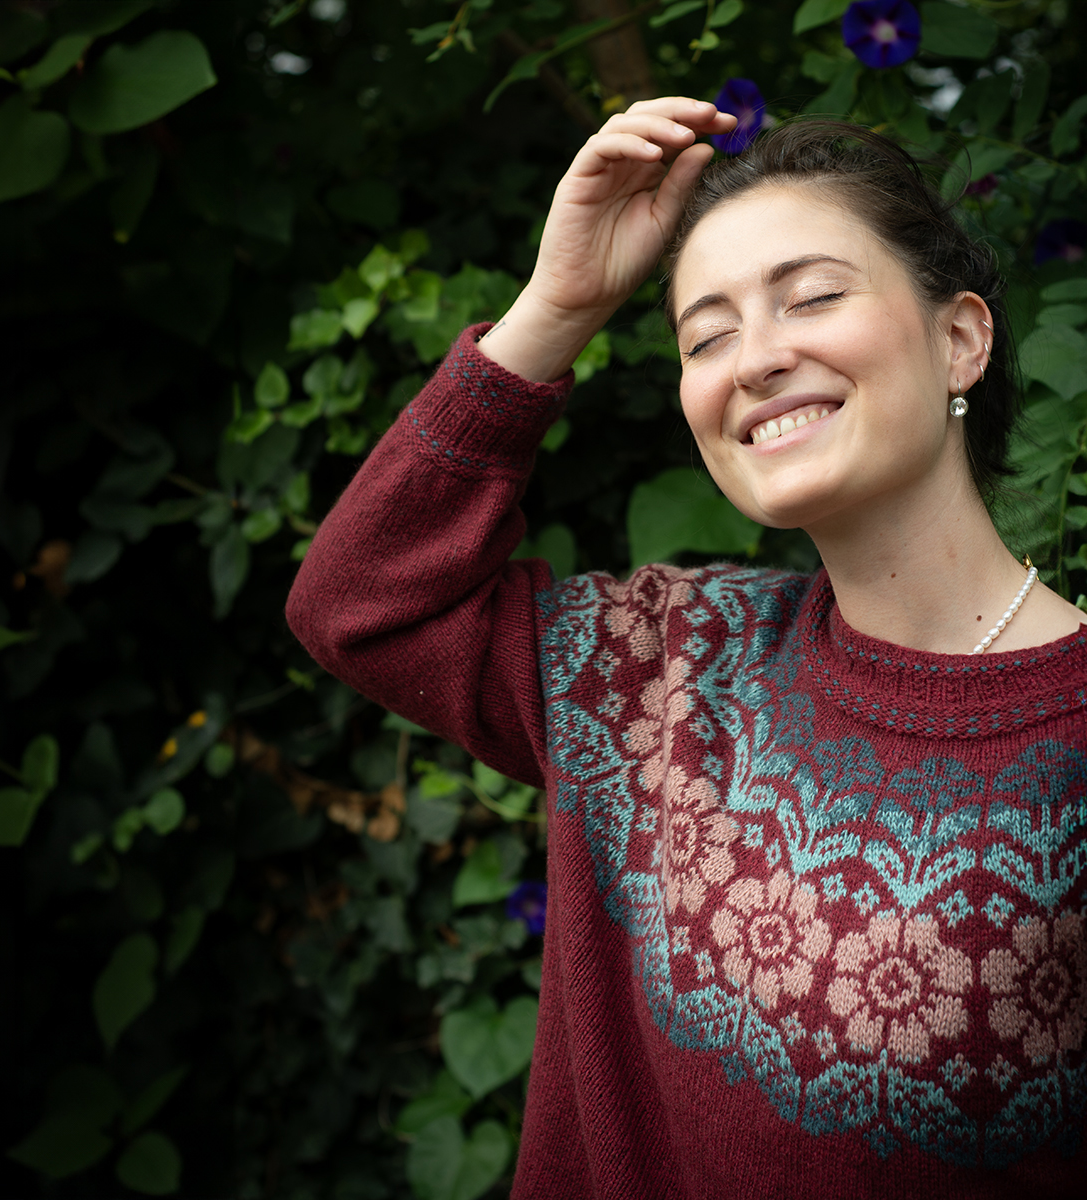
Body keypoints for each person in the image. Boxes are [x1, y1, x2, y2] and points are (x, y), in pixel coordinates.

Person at [286, 98, 1087, 1197]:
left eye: (813, 297)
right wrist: (557, 307)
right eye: (706, 337)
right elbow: (359, 603)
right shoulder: (658, 668)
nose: (754, 359)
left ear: (961, 340)